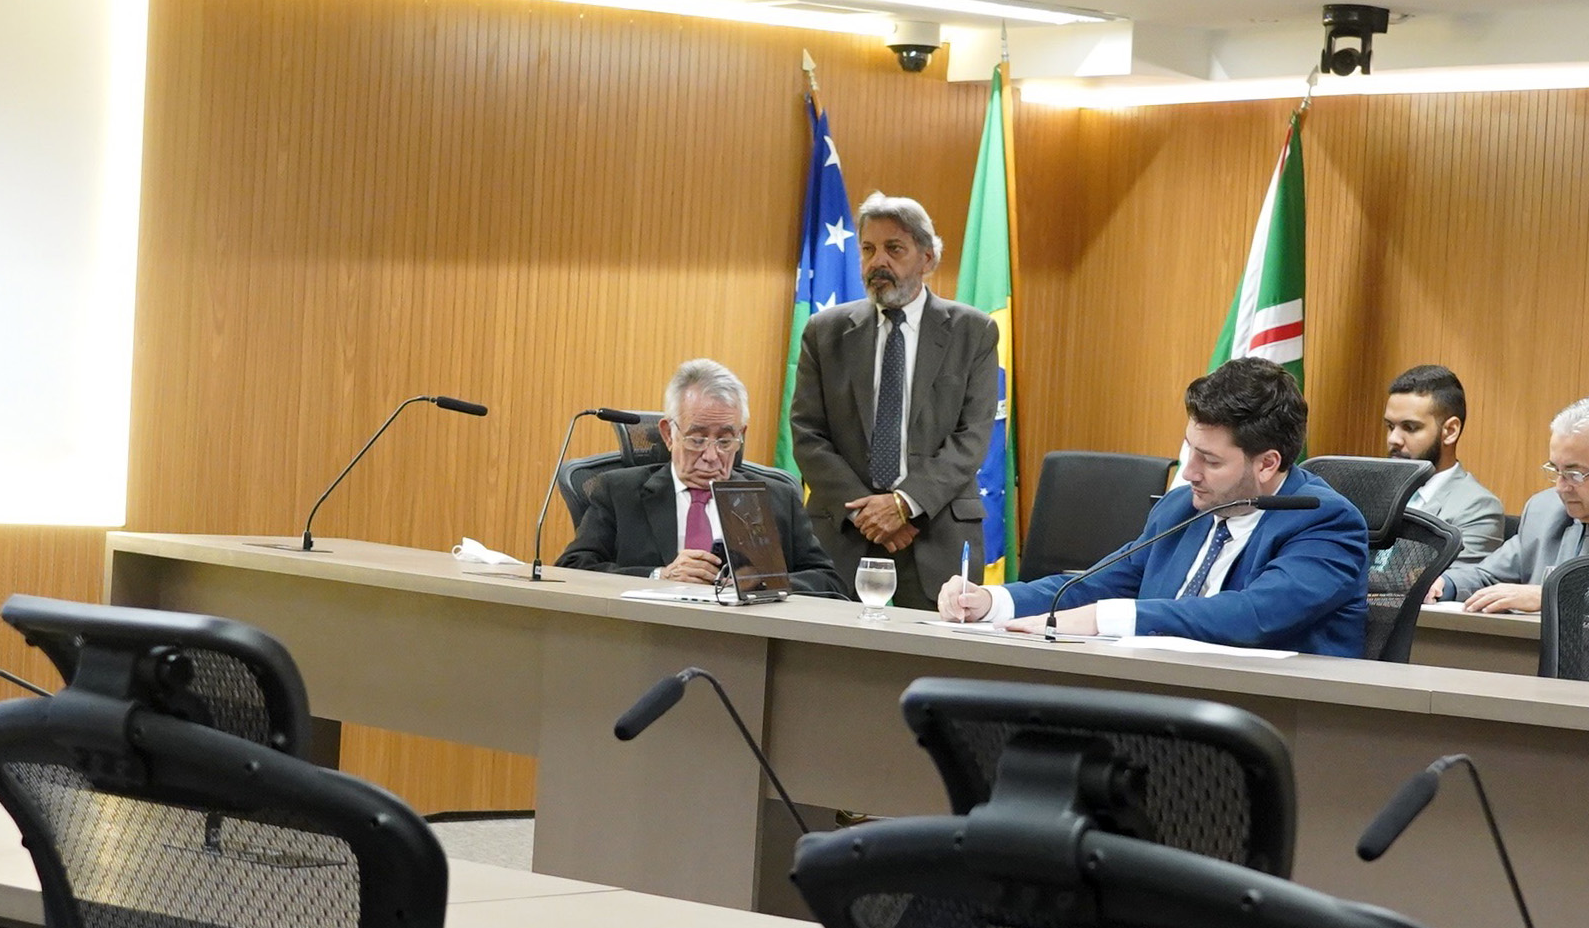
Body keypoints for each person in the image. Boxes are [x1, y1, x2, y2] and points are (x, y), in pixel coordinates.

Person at [935, 359, 1367, 654]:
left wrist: (1102, 619)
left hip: (1286, 723)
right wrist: (991, 601)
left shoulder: (1326, 523)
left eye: (1211, 460)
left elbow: (1252, 615)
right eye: (1190, 450)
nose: (1189, 472)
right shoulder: (1183, 508)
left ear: (1267, 463)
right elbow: (1094, 585)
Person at [788, 193, 1002, 607]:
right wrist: (868, 514)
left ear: (927, 258)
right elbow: (808, 434)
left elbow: (972, 437)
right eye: (868, 249)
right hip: (844, 532)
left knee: (929, 647)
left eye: (894, 249)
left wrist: (904, 504)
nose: (877, 262)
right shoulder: (825, 332)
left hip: (936, 533)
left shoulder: (973, 332)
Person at [558, 358, 847, 599]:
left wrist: (764, 583)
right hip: (647, 633)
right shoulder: (619, 491)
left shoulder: (776, 497)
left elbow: (829, 582)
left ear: (741, 436)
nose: (711, 456)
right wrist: (659, 576)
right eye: (697, 439)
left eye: (725, 441)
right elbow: (571, 569)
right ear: (668, 434)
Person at [1437, 396, 1589, 614]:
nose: (1561, 487)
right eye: (1556, 470)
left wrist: (1548, 595)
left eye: (1575, 474)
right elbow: (1487, 577)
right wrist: (1445, 585)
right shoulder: (1544, 510)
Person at [1372, 364, 1508, 593]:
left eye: (1410, 427)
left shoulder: (1477, 507)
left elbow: (1445, 585)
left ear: (1450, 431)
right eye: (1390, 426)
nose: (1393, 439)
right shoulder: (1373, 493)